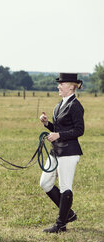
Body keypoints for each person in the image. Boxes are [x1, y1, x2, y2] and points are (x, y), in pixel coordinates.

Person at [39, 73, 84, 233]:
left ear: (71, 86)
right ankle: (69, 214)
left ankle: (60, 225)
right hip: (55, 151)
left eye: (62, 84)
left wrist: (58, 135)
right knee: (45, 183)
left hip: (69, 152)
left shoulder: (76, 106)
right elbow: (58, 129)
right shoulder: (59, 105)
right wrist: (47, 124)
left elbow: (80, 130)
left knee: (65, 187)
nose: (59, 86)